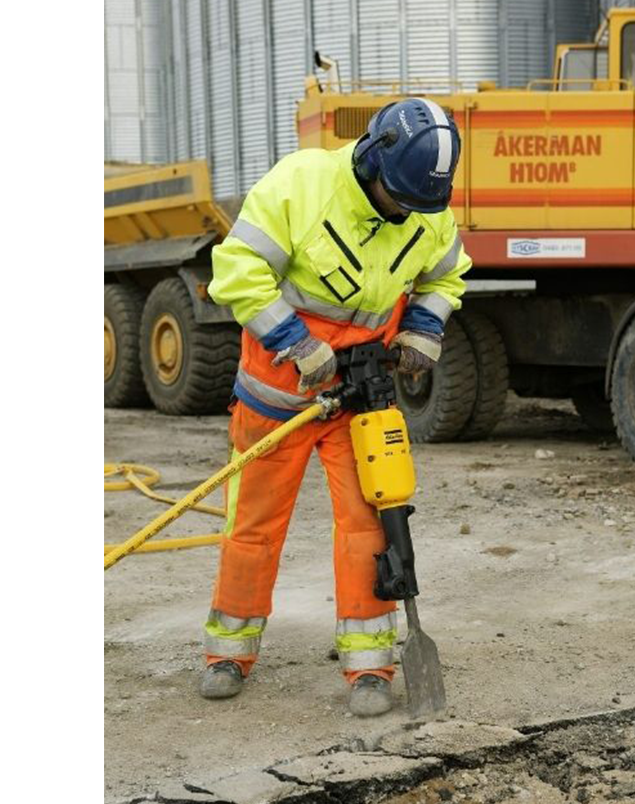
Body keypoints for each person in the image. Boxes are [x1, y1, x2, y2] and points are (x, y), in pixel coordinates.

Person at [199, 98, 470, 716]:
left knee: (371, 528)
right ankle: (228, 652)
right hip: (279, 395)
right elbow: (235, 270)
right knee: (254, 527)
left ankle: (370, 666)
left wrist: (424, 328)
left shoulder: (426, 210)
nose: (406, 213)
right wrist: (294, 342)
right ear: (374, 160)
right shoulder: (300, 185)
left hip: (362, 399)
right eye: (397, 199)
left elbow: (446, 276)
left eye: (417, 206)